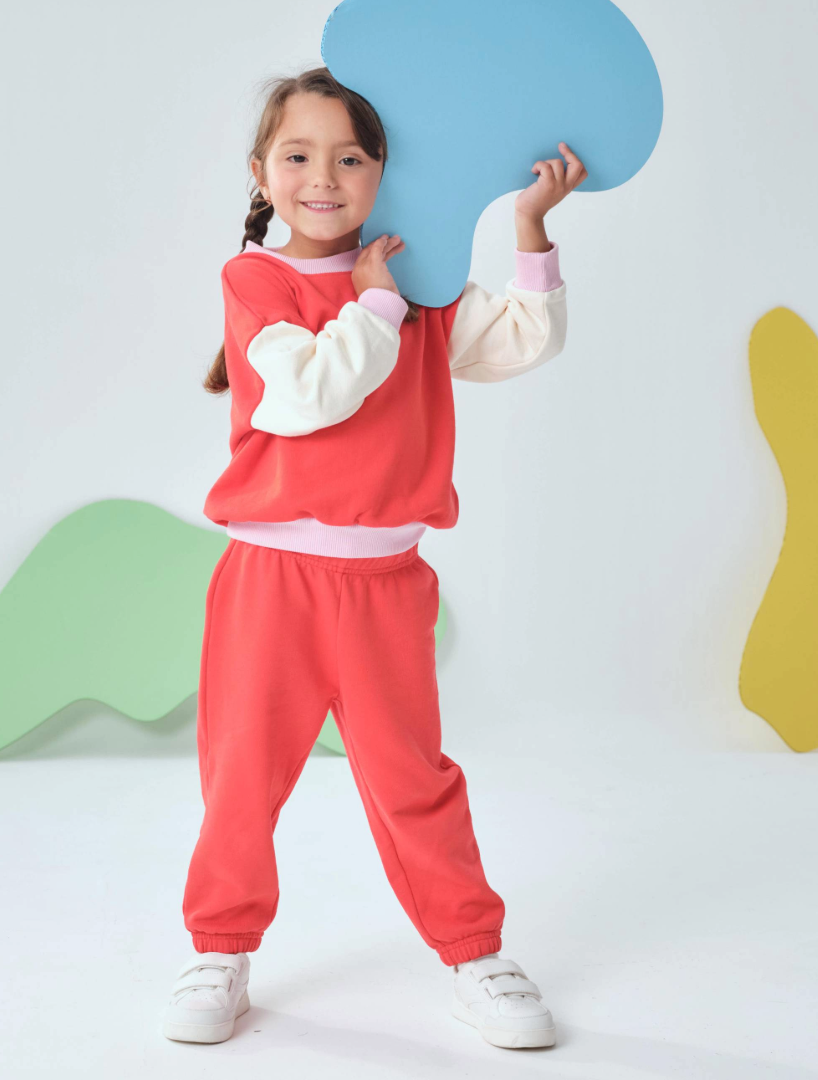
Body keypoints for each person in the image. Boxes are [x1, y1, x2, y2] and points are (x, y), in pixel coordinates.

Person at [163, 65, 585, 1050]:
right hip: (270, 579)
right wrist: (375, 306)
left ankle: (473, 952)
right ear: (261, 174)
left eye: (351, 155)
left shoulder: (418, 278)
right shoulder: (257, 282)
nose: (325, 176)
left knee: (411, 776)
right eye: (300, 155)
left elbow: (523, 340)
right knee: (243, 774)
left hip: (387, 581)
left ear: (383, 169)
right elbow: (309, 395)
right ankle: (219, 947)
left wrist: (530, 232)